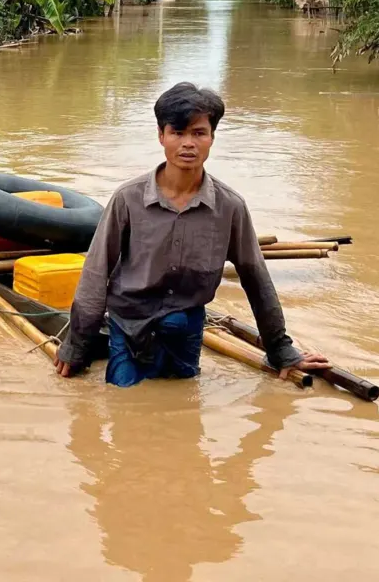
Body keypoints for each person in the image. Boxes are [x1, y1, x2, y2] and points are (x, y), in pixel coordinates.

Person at [54, 82, 330, 387]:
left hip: (186, 327)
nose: (188, 143)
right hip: (129, 324)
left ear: (212, 138)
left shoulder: (229, 207)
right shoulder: (127, 199)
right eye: (178, 132)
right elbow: (96, 272)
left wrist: (280, 349)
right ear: (161, 136)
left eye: (199, 133)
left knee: (186, 411)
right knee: (123, 405)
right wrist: (76, 346)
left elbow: (255, 276)